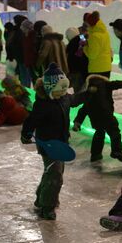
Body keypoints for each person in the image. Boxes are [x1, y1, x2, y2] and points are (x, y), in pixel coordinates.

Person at [20, 63, 86, 220]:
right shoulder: (42, 105)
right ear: (50, 89)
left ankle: (41, 198)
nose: (63, 92)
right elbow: (31, 120)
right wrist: (26, 134)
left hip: (61, 144)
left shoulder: (64, 98)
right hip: (48, 145)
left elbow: (75, 99)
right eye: (59, 90)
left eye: (64, 89)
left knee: (52, 172)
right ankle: (47, 207)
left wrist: (89, 93)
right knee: (55, 175)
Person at [82, 74, 122, 163]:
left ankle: (95, 154)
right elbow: (117, 83)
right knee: (115, 133)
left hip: (96, 118)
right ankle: (116, 151)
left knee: (99, 134)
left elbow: (83, 110)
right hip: (107, 116)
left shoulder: (89, 94)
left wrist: (77, 122)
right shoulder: (106, 84)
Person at [83, 11, 112, 77]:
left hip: (96, 68)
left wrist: (85, 47)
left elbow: (92, 55)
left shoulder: (93, 35)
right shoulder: (105, 32)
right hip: (106, 67)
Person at [65, 27, 89, 93]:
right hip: (86, 71)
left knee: (79, 93)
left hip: (77, 72)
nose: (66, 38)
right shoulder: (83, 40)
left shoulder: (73, 45)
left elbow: (75, 59)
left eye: (67, 36)